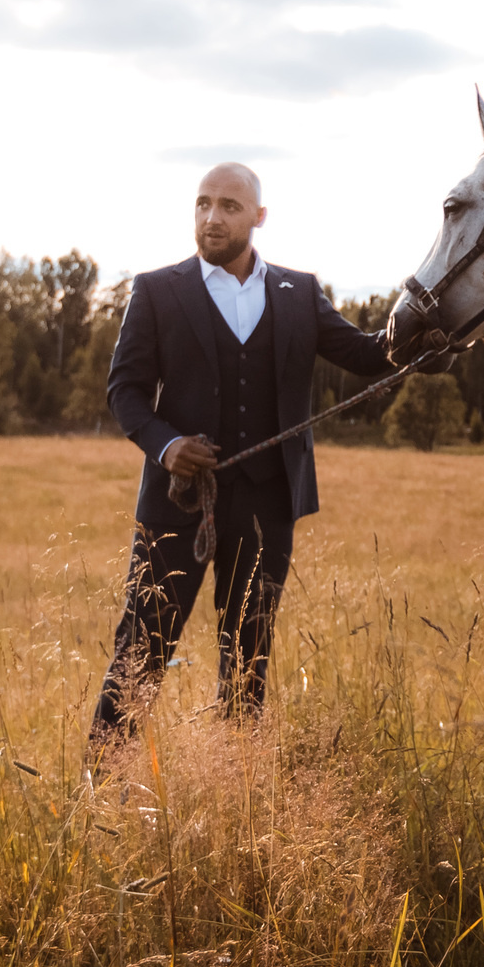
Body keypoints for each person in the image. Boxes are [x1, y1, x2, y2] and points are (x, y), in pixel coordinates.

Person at [87, 161, 406, 747]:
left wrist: (435, 329)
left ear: (258, 217)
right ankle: (100, 789)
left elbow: (368, 354)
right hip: (177, 504)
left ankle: (238, 791)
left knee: (248, 656)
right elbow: (124, 391)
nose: (212, 217)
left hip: (267, 502)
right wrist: (166, 446)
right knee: (142, 651)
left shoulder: (300, 292)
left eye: (229, 207)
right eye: (204, 203)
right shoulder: (157, 290)